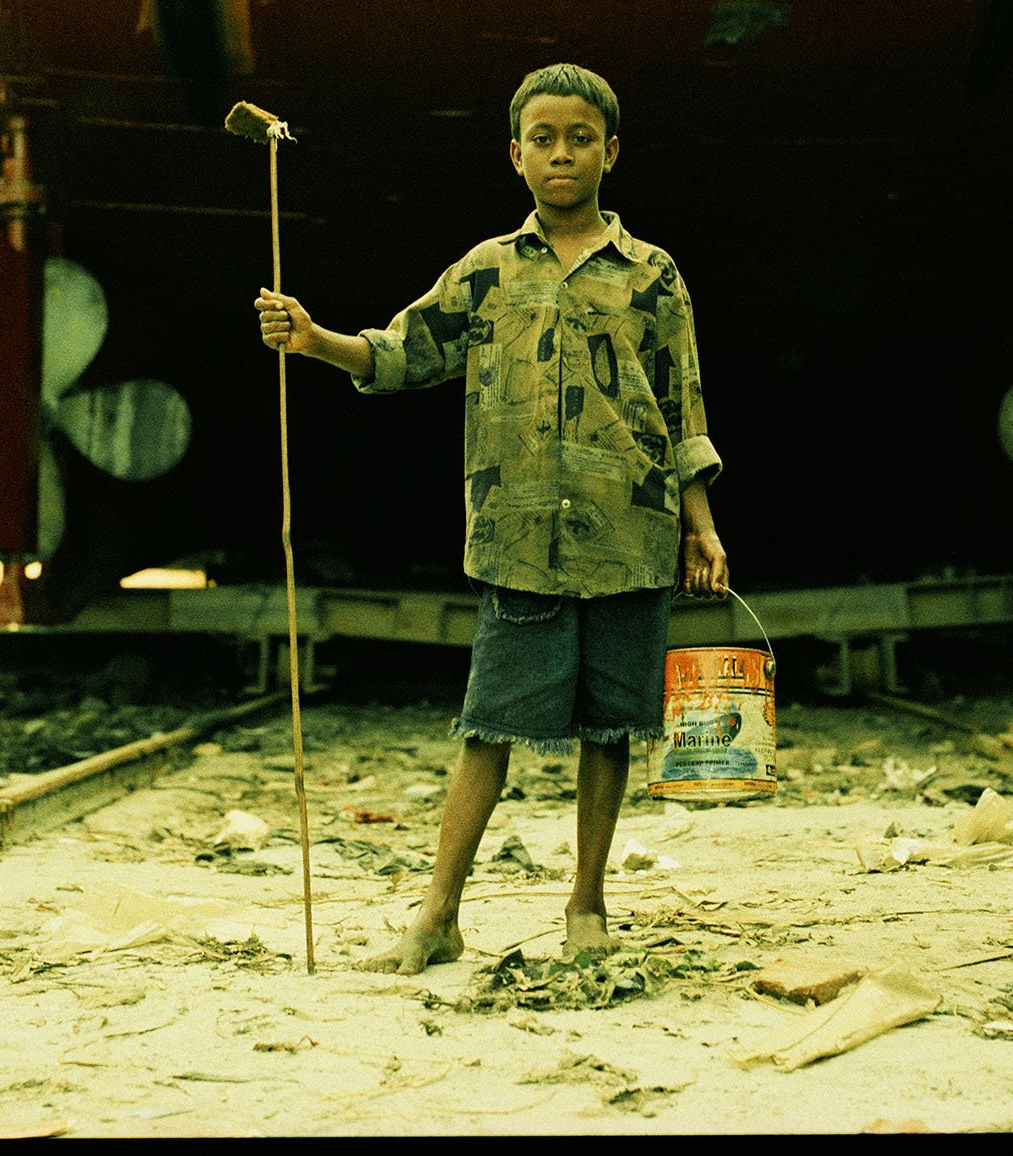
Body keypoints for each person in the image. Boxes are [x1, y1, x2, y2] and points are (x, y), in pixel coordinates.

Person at [255, 61, 727, 975]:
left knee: (611, 727)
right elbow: (402, 353)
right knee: (487, 727)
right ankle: (438, 915)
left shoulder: (655, 278)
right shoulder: (486, 271)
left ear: (612, 152)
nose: (562, 155)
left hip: (632, 531)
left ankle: (586, 901)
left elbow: (685, 407)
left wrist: (699, 524)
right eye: (543, 140)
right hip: (518, 537)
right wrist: (315, 341)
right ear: (515, 155)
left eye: (580, 139)